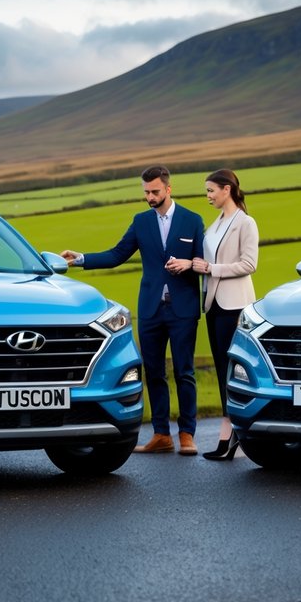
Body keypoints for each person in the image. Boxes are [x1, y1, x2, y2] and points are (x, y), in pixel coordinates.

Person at [61, 165, 205, 455]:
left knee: (184, 372)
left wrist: (188, 264)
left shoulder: (192, 220)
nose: (150, 197)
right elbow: (116, 255)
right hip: (150, 310)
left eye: (154, 191)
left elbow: (203, 260)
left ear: (168, 188)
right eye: (146, 192)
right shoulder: (141, 222)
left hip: (183, 310)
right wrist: (80, 259)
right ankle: (162, 435)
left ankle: (187, 434)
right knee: (153, 373)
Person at [166, 168, 258, 461]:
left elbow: (248, 264)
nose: (207, 196)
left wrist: (210, 269)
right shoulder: (216, 224)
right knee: (222, 369)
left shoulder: (245, 223)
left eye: (210, 190)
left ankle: (235, 434)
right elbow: (206, 260)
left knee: (235, 371)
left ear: (227, 189)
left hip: (234, 306)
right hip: (214, 305)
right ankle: (229, 433)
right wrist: (189, 263)